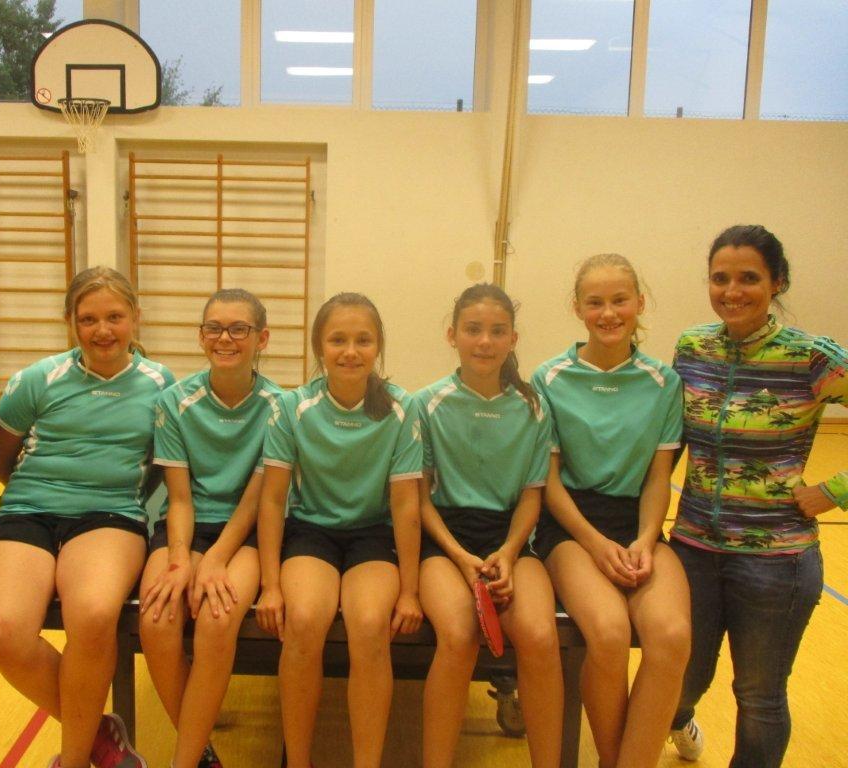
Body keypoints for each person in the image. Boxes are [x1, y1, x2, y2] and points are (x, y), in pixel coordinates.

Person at [0, 267, 173, 768]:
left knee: (93, 613)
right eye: (88, 319)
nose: (102, 330)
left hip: (110, 514)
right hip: (28, 511)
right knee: (1, 630)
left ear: (136, 318)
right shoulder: (36, 380)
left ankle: (74, 757)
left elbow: (162, 466)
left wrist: (115, 489)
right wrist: (38, 496)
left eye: (115, 317)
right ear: (70, 322)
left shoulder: (161, 385)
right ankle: (100, 735)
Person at [668, 225, 847, 767]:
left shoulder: (812, 357)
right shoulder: (692, 347)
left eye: (748, 278)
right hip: (693, 550)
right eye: (719, 278)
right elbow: (668, 440)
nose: (732, 291)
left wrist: (834, 491)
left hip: (776, 561)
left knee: (759, 695)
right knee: (679, 675)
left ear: (777, 282)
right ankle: (678, 722)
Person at [532, 253, 691, 768]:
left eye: (619, 300)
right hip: (571, 527)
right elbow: (548, 482)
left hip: (638, 524)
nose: (608, 313)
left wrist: (646, 539)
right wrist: (596, 544)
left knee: (671, 637)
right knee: (608, 632)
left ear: (639, 303)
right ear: (577, 308)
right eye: (595, 302)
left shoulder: (663, 381)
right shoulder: (549, 377)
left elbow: (658, 477)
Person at [255, 292, 423, 768]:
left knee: (369, 626)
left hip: (373, 535)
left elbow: (405, 505)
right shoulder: (292, 406)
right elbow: (272, 500)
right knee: (304, 620)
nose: (351, 351)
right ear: (319, 347)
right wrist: (270, 585)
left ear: (378, 346)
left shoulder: (401, 407)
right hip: (312, 533)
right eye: (338, 340)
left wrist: (410, 592)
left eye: (363, 340)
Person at [415, 283, 564, 768]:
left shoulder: (534, 407)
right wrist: (461, 557)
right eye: (473, 329)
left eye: (498, 331)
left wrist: (510, 552)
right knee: (459, 636)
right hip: (445, 541)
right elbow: (419, 500)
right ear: (452, 335)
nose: (485, 341)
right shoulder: (426, 404)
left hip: (510, 540)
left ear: (513, 339)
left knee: (539, 638)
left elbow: (532, 495)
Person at [139, 288, 281, 768]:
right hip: (188, 526)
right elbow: (179, 498)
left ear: (262, 338)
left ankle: (183, 761)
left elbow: (257, 500)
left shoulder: (280, 406)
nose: (225, 338)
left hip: (249, 531)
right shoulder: (175, 401)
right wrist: (181, 561)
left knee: (218, 619)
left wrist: (216, 558)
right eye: (214, 328)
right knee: (156, 618)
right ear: (200, 337)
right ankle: (201, 750)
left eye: (239, 329)